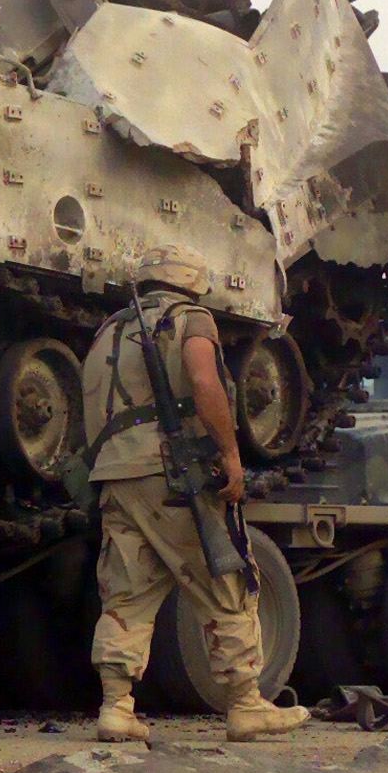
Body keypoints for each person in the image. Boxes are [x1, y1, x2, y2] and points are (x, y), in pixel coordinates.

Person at [80, 245, 309, 744]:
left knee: (127, 591)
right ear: (190, 281)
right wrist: (229, 454)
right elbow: (205, 381)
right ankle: (246, 702)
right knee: (226, 576)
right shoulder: (191, 319)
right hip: (174, 474)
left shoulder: (108, 332)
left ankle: (117, 706)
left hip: (116, 475)